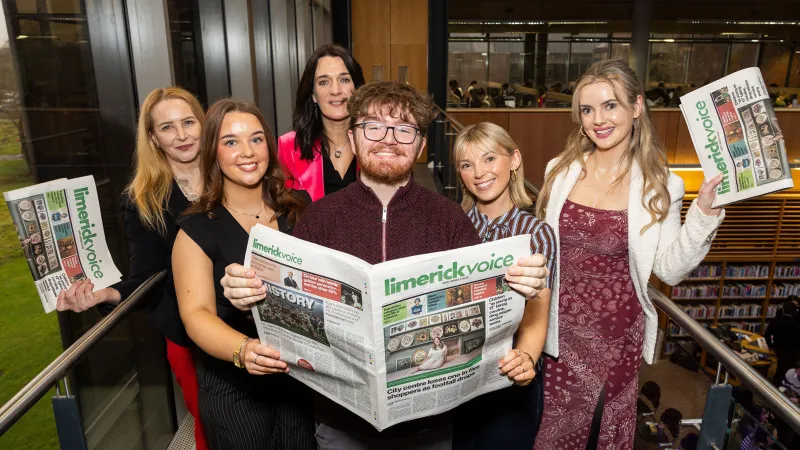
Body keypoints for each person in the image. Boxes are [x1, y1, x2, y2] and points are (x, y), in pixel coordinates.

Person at [218, 81, 550, 449]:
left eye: (404, 129)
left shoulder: (451, 219)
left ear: (421, 145)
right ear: (353, 136)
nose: (388, 139)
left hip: (429, 427)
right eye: (373, 126)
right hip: (340, 422)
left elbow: (487, 313)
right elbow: (287, 313)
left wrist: (522, 285)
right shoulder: (318, 217)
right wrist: (248, 296)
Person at [533, 59, 725, 450]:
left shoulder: (661, 184)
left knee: (602, 435)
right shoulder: (560, 170)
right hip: (557, 330)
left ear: (637, 107)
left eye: (611, 106)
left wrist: (703, 216)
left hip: (617, 339)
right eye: (587, 109)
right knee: (551, 432)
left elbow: (669, 270)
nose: (598, 119)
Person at [55, 87, 210, 450]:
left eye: (189, 122)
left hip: (251, 317)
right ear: (154, 138)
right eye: (168, 128)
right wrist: (109, 294)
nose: (183, 135)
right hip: (188, 331)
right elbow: (147, 276)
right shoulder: (143, 199)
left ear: (204, 124)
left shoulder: (235, 170)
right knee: (211, 426)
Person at [172, 99, 314, 449]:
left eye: (256, 139)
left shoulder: (300, 210)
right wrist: (243, 350)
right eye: (231, 142)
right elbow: (195, 315)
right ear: (213, 152)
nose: (247, 152)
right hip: (233, 387)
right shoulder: (195, 229)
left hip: (302, 380)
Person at [450, 122, 556, 450]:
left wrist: (526, 358)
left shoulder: (536, 233)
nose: (479, 172)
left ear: (513, 160)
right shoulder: (453, 226)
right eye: (467, 165)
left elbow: (539, 312)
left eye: (489, 159)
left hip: (510, 379)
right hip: (460, 378)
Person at [279, 44, 366, 201]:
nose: (335, 90)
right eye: (324, 82)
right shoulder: (288, 147)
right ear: (313, 95)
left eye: (344, 79)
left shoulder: (377, 142)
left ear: (357, 88)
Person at [765, 296, 800, 385]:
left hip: (778, 349)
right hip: (791, 352)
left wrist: (770, 346)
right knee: (785, 370)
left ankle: (775, 385)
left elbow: (767, 334)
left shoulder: (775, 320)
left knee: (780, 370)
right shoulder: (796, 325)